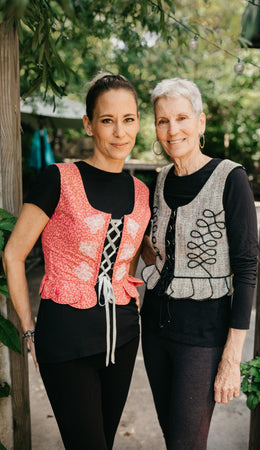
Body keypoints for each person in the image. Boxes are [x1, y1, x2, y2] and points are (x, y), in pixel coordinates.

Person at [3, 73, 150, 450]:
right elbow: (14, 254)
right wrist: (28, 328)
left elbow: (130, 259)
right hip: (65, 336)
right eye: (107, 120)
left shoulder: (141, 191)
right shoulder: (59, 178)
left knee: (103, 440)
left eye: (129, 119)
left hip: (123, 336)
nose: (120, 132)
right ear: (89, 124)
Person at [141, 78, 258, 450]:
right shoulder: (159, 180)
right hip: (155, 330)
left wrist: (231, 358)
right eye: (163, 121)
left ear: (201, 122)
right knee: (172, 437)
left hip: (203, 338)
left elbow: (247, 269)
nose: (172, 130)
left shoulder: (230, 178)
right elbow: (158, 251)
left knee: (186, 444)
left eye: (182, 118)